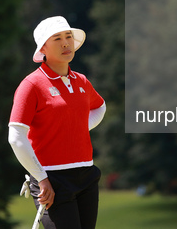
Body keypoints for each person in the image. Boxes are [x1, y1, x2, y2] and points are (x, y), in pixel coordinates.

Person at [8, 16, 106, 229]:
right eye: (57, 38)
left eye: (68, 37)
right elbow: (16, 138)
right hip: (52, 180)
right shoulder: (31, 85)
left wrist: (76, 128)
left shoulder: (81, 81)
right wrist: (41, 178)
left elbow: (100, 106)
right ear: (43, 47)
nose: (65, 43)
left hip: (86, 174)